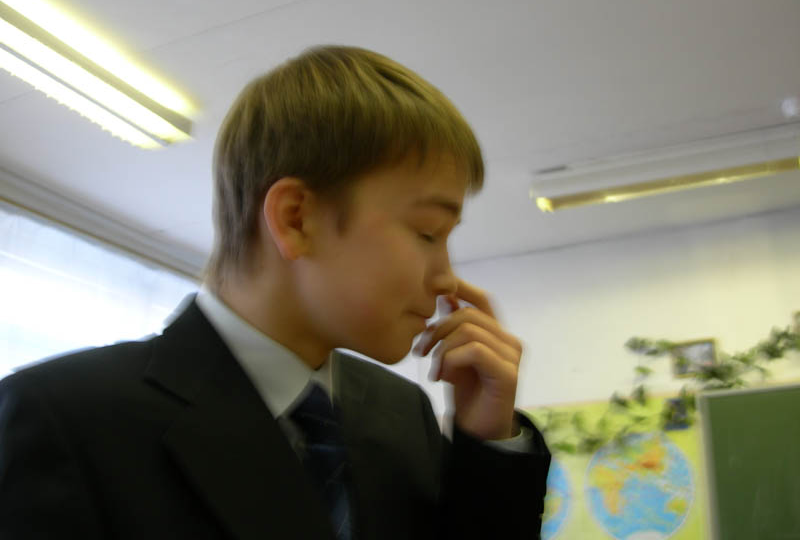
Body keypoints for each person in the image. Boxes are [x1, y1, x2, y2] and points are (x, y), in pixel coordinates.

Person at [0, 46, 550, 539]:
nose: (447, 278)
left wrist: (488, 444)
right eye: (428, 232)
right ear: (295, 218)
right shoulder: (62, 419)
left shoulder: (401, 413)